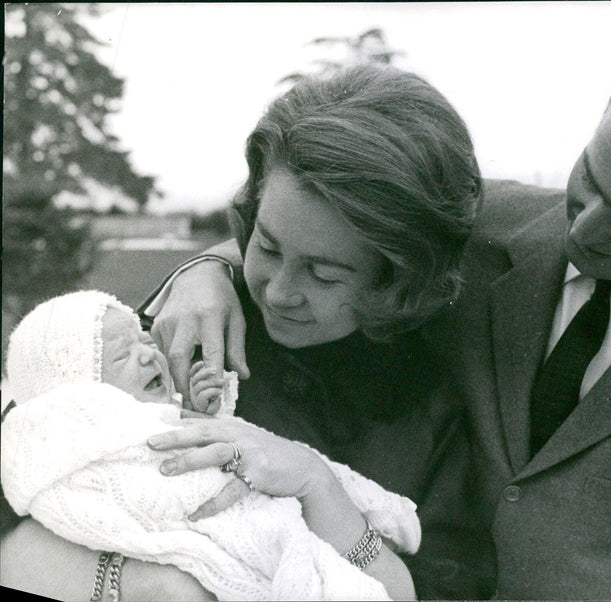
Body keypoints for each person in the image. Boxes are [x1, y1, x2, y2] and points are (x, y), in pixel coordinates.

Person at [97, 31, 611, 599]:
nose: (585, 229)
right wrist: (206, 270)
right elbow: (317, 220)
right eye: (592, 180)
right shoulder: (488, 227)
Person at [0, 63, 494, 600]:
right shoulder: (184, 328)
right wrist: (146, 584)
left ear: (397, 277)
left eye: (323, 273)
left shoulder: (434, 404)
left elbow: (444, 591)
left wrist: (317, 485)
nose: (278, 292)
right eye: (266, 246)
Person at [1, 290, 421, 601]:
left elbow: (218, 438)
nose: (149, 355)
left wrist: (203, 406)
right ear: (79, 399)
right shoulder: (83, 448)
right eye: (120, 356)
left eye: (145, 341)